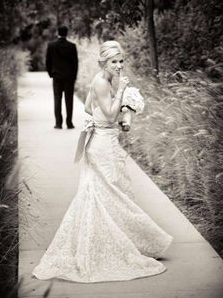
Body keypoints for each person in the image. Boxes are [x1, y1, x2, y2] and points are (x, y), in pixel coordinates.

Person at [32, 41, 172, 283]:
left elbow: (88, 108)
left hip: (102, 140)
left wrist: (121, 116)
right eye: (113, 62)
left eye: (120, 61)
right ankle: (116, 245)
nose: (118, 66)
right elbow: (107, 113)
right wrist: (121, 95)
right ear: (103, 63)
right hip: (103, 146)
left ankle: (115, 240)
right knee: (112, 192)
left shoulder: (102, 80)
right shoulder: (102, 82)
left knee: (108, 192)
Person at [46, 25, 78, 129]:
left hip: (57, 76)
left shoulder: (51, 46)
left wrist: (51, 74)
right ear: (67, 33)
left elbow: (48, 62)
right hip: (69, 77)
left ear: (58, 33)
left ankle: (58, 123)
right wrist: (74, 76)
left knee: (57, 99)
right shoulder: (72, 46)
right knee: (69, 100)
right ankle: (69, 123)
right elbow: (75, 63)